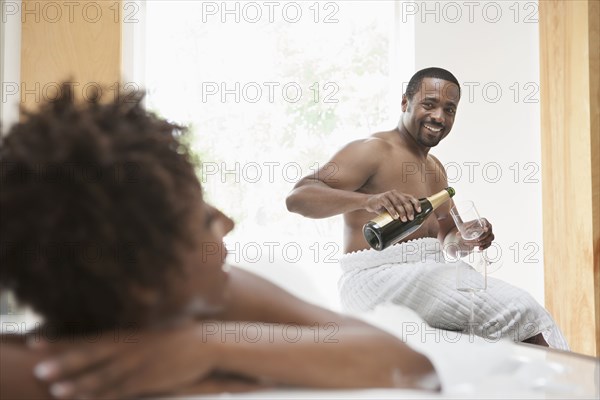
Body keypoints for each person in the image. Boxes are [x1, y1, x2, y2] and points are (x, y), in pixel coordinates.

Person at [0, 85, 440, 399]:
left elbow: (410, 365)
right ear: (145, 277)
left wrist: (207, 345)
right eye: (203, 219)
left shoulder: (222, 296)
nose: (227, 222)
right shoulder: (44, 369)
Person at [286, 67, 568, 349]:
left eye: (450, 109)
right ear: (405, 103)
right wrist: (367, 201)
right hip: (378, 280)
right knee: (522, 309)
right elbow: (298, 198)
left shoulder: (436, 170)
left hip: (427, 275)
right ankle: (567, 391)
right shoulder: (373, 149)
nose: (439, 117)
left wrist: (469, 236)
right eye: (429, 104)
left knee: (490, 346)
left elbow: (447, 237)